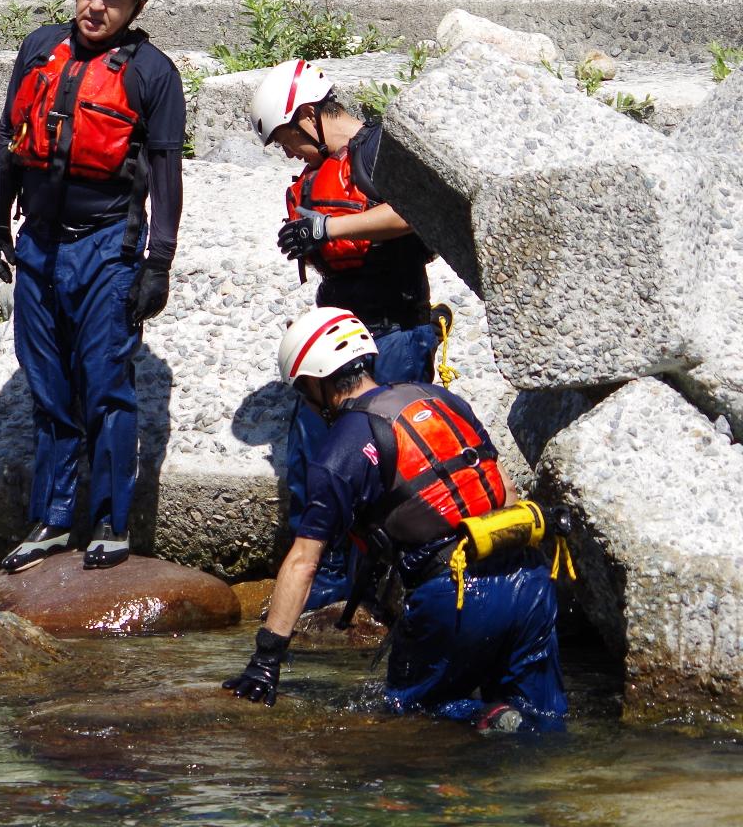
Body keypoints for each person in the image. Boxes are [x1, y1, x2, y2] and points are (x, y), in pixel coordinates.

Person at [223, 307, 567, 733]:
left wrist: (265, 661)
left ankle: (484, 717)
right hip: (527, 574)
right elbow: (505, 491)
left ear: (315, 381)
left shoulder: (339, 451)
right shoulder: (441, 400)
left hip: (455, 593)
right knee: (545, 722)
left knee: (411, 718)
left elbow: (303, 562)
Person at [0, 0, 185, 572]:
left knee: (106, 386)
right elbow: (10, 136)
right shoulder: (39, 47)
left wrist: (159, 261)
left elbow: (166, 176)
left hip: (108, 245)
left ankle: (108, 521)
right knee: (46, 383)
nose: (95, 6)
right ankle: (50, 518)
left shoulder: (154, 73)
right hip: (39, 240)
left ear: (136, 4)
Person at [250, 59, 443, 607]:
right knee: (316, 463)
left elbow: (412, 212)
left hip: (396, 332)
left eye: (286, 137)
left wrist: (327, 226)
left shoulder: (377, 149)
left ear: (308, 115)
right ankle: (326, 585)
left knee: (389, 465)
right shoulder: (322, 168)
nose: (286, 151)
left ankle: (386, 587)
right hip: (336, 334)